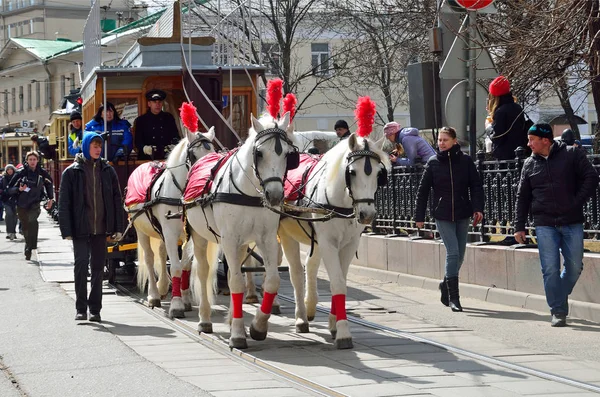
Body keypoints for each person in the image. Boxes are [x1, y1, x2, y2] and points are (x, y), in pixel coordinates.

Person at [514, 123, 598, 327]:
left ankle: (558, 296)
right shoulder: (529, 164)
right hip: (544, 224)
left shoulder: (571, 154)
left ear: (545, 140)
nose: (528, 143)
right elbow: (522, 197)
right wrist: (519, 225)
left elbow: (592, 177)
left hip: (572, 221)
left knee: (575, 267)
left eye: (532, 139)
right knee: (550, 269)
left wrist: (576, 202)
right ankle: (558, 311)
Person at [415, 126, 484, 312]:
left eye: (445, 140)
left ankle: (446, 284)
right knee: (452, 252)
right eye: (439, 140)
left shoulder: (466, 161)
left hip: (463, 212)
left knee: (460, 255)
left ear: (455, 141)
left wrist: (478, 208)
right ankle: (454, 297)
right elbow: (423, 192)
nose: (441, 143)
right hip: (442, 213)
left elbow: (476, 186)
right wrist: (419, 216)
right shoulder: (433, 162)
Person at [58, 132, 124, 322]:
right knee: (80, 266)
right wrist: (67, 230)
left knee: (97, 268)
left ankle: (95, 309)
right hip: (80, 228)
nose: (98, 149)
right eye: (94, 146)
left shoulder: (108, 171)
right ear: (86, 146)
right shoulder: (71, 172)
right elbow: (64, 203)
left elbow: (116, 200)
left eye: (100, 146)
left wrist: (117, 227)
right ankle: (81, 308)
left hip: (101, 228)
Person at [7, 151, 54, 260]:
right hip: (21, 204)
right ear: (27, 161)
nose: (32, 162)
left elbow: (49, 183)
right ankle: (29, 245)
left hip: (35, 203)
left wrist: (50, 199)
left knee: (32, 220)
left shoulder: (42, 172)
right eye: (30, 159)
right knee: (25, 226)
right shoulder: (20, 172)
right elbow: (9, 189)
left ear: (38, 160)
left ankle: (30, 246)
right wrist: (18, 189)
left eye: (34, 159)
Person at [486, 76, 527, 160]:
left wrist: (488, 127)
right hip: (519, 155)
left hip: (505, 159)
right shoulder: (517, 108)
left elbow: (497, 137)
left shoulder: (500, 112)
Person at [134, 89, 180, 160]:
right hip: (147, 158)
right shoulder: (141, 120)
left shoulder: (168, 118)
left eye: (160, 102)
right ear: (149, 104)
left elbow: (175, 136)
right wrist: (144, 148)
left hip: (165, 157)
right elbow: (137, 141)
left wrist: (173, 146)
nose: (157, 104)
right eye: (154, 102)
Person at [1, 164, 18, 240]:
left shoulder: (17, 177)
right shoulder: (3, 178)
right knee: (9, 215)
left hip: (15, 199)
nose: (9, 171)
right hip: (6, 199)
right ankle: (9, 232)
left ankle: (13, 232)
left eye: (11, 169)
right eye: (8, 169)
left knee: (15, 216)